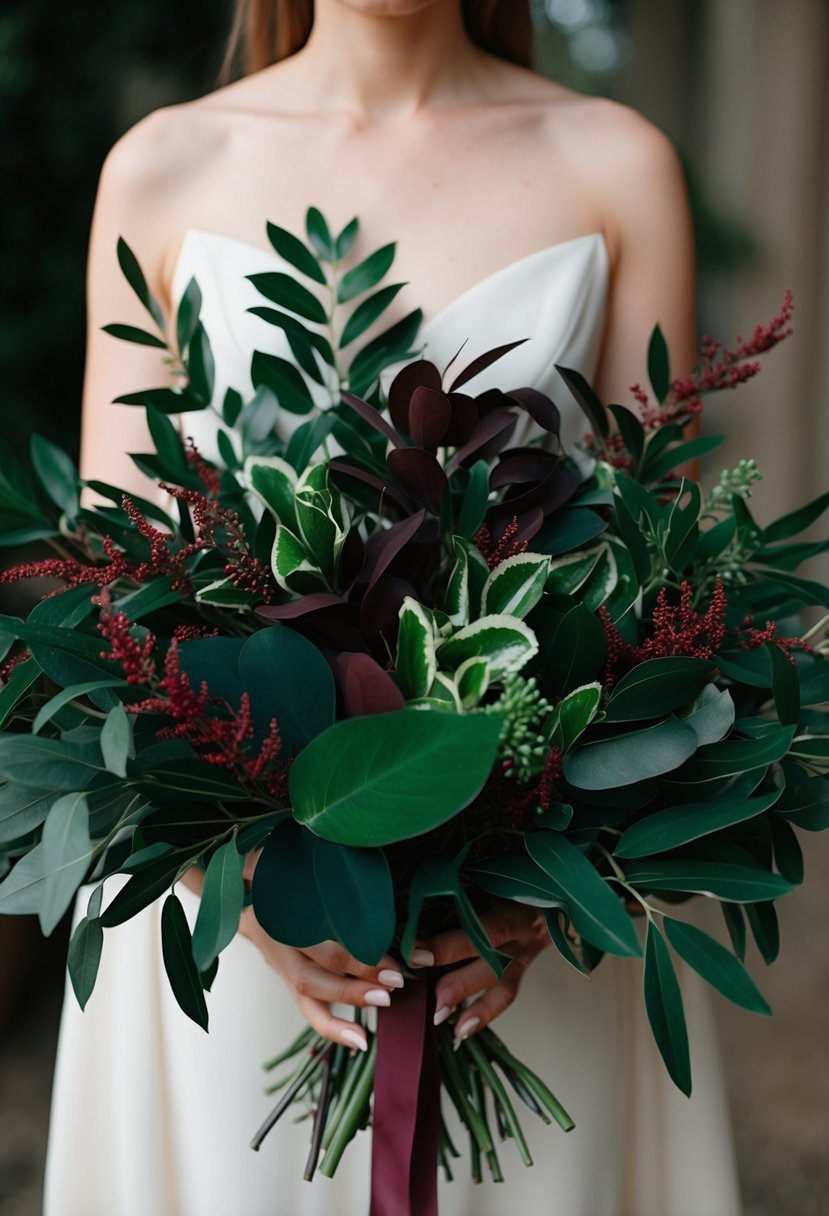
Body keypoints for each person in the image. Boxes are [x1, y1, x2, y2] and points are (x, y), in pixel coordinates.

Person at [45, 2, 743, 1212]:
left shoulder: (614, 164)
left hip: (520, 938)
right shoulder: (163, 166)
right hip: (233, 919)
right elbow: (113, 595)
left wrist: (538, 897)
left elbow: (658, 588)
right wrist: (247, 892)